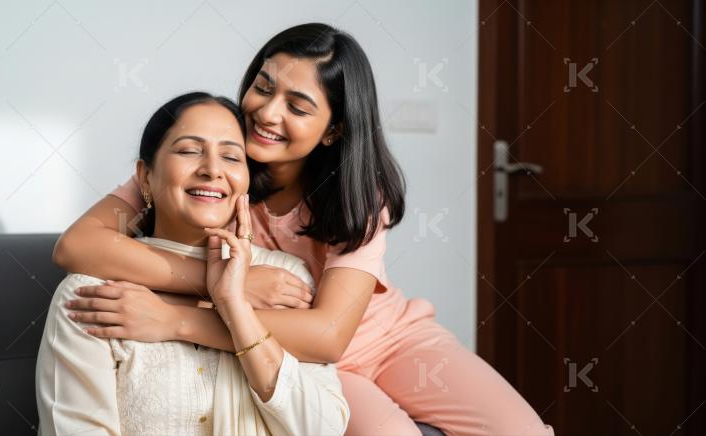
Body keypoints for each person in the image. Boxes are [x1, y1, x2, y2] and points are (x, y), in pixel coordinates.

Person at [58, 24, 554, 435]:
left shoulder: (357, 193)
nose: (268, 113)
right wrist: (217, 279)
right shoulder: (211, 163)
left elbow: (330, 333)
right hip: (302, 361)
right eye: (263, 86)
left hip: (387, 338)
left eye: (297, 107)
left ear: (333, 130)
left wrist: (176, 320)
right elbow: (77, 245)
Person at [35, 92, 349, 435]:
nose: (212, 170)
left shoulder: (284, 280)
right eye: (188, 150)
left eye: (231, 156)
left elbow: (324, 429)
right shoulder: (90, 295)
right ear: (144, 178)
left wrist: (235, 304)